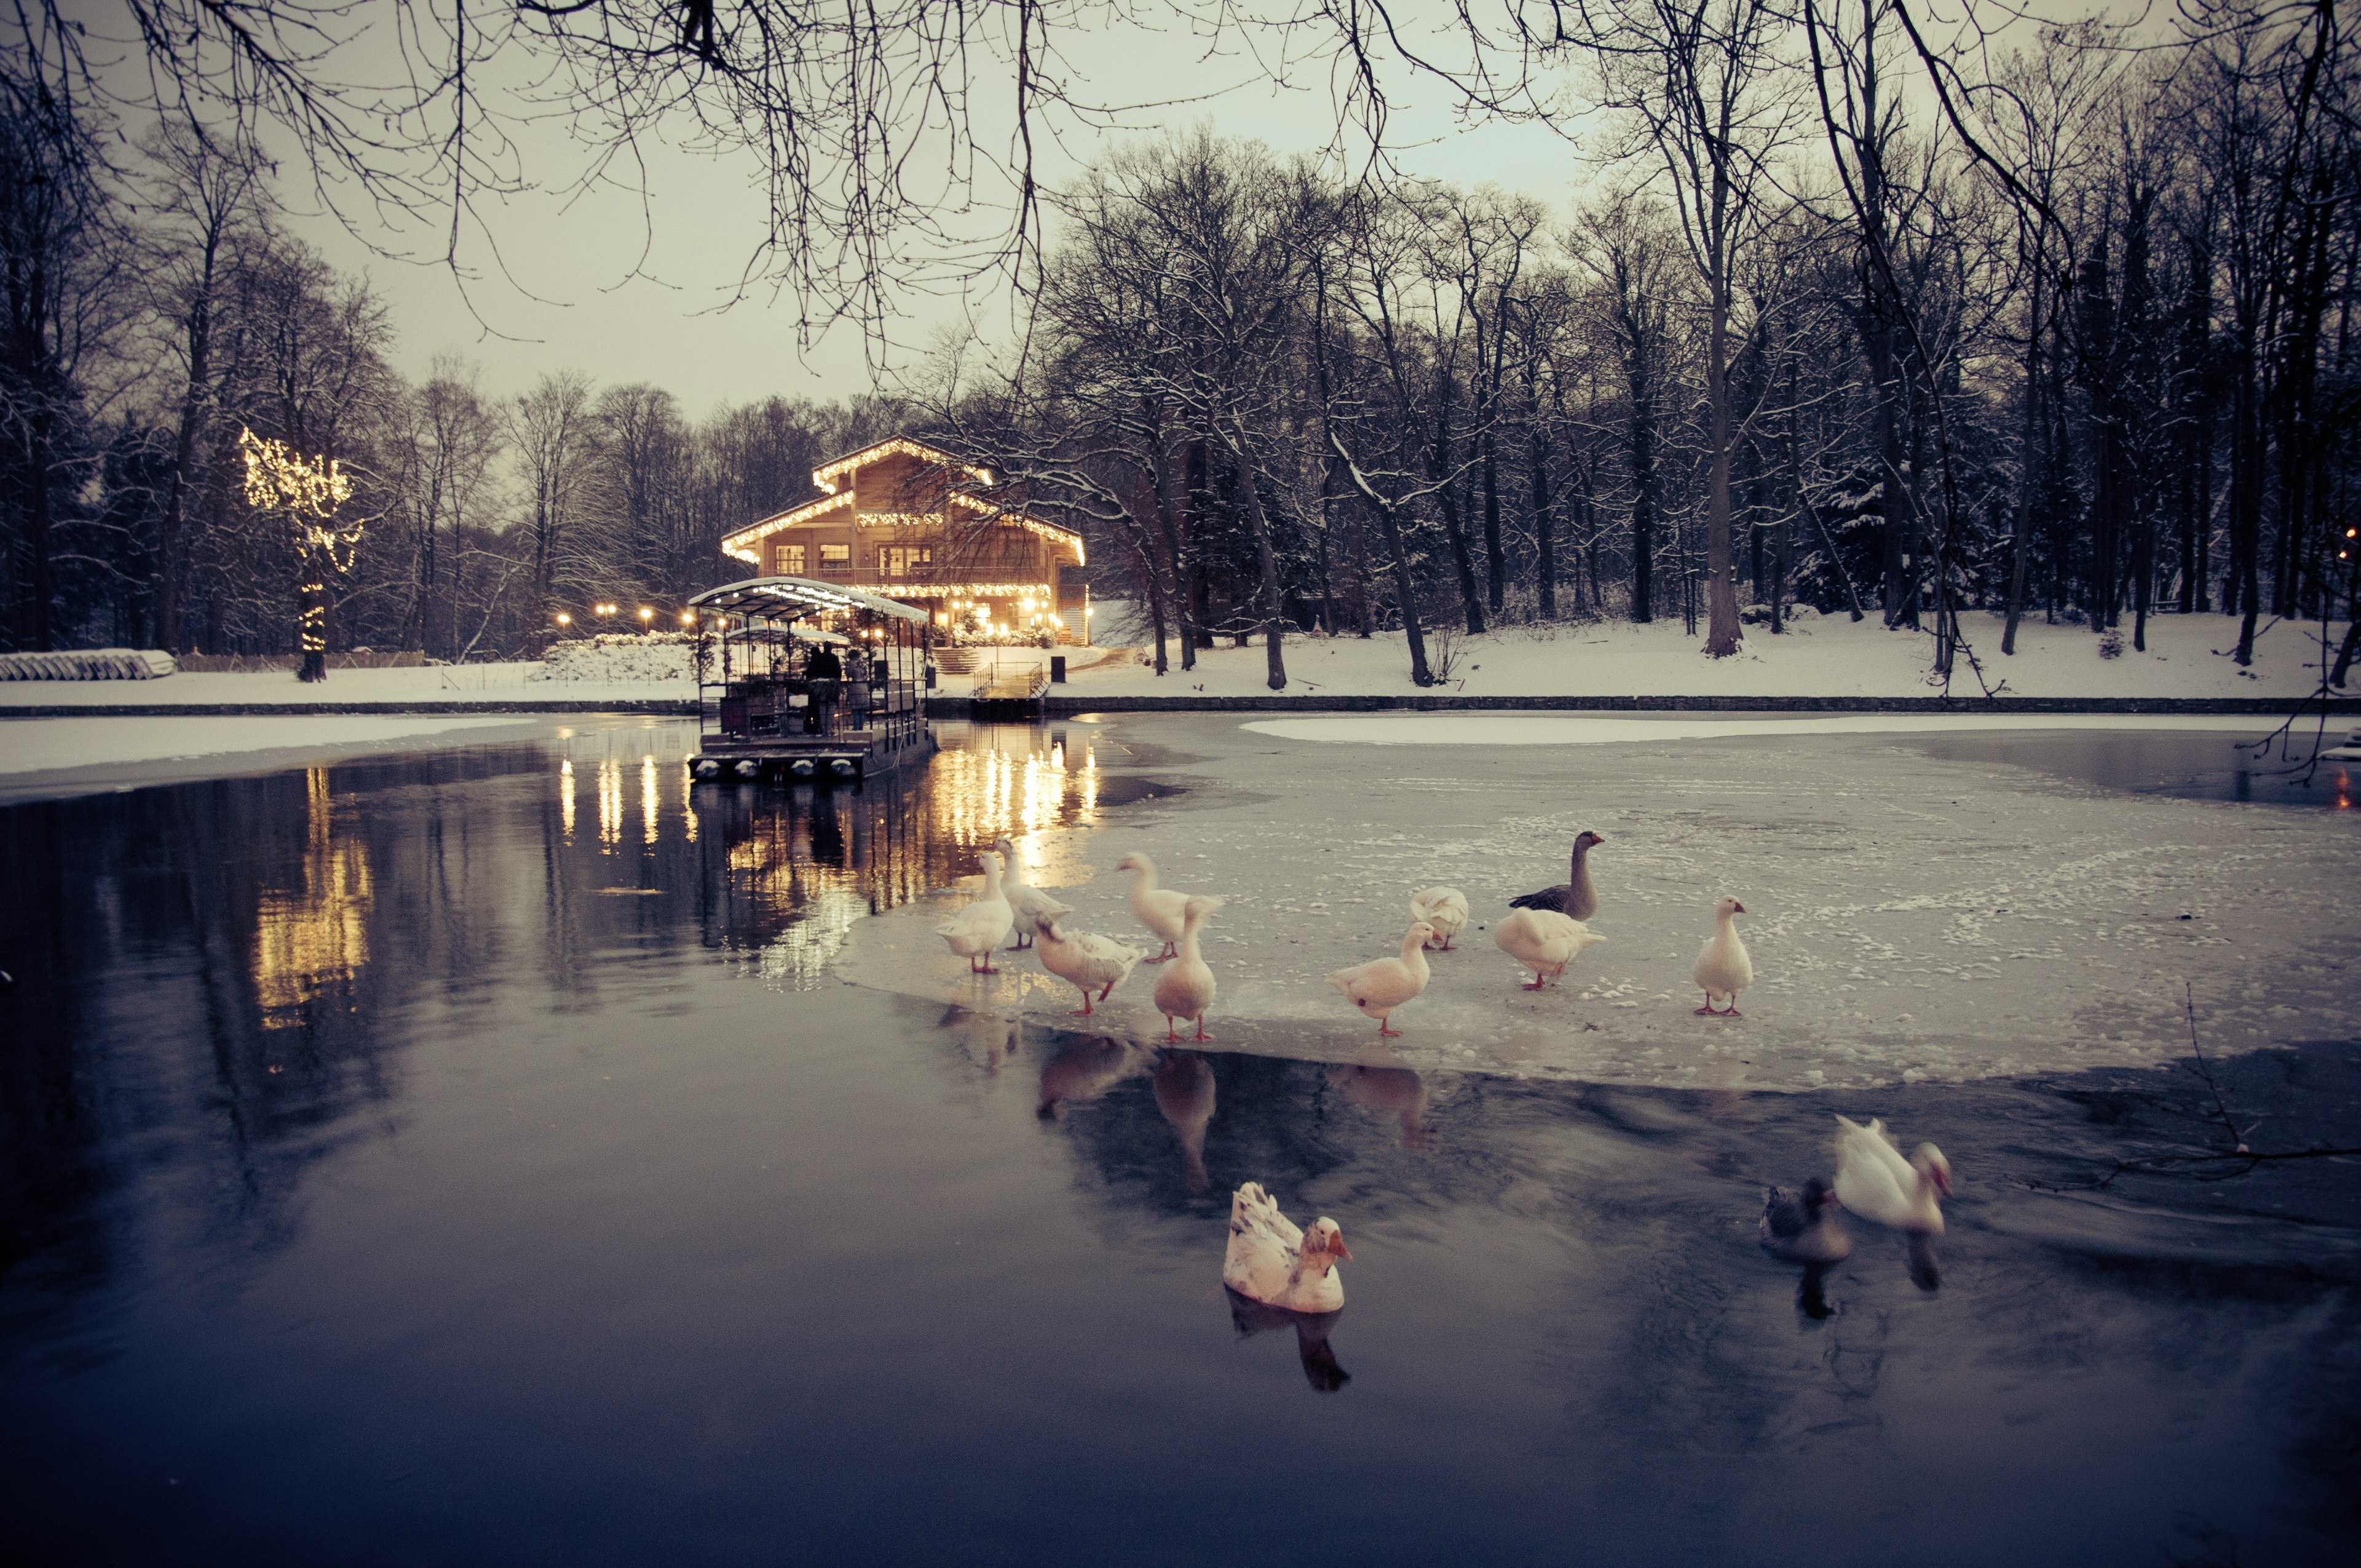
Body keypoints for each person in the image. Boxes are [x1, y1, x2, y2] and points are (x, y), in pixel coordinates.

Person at [805, 640, 842, 733]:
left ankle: (823, 728)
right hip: (831, 684)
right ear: (831, 648)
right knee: (831, 706)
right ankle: (829, 728)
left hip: (820, 684)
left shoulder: (819, 658)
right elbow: (838, 672)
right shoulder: (834, 658)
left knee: (822, 706)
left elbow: (813, 670)